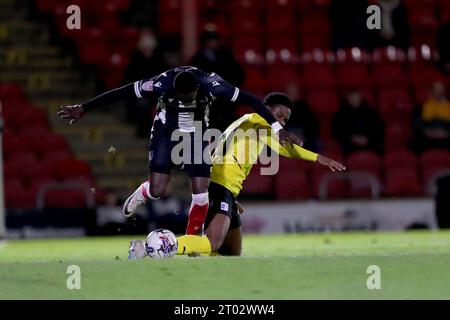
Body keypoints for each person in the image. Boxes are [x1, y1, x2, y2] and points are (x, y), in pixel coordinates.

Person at [58, 66, 303, 236]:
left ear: (198, 88)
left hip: (196, 136)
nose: (185, 100)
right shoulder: (161, 83)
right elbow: (122, 92)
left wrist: (276, 129)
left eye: (189, 97)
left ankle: (192, 238)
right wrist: (84, 108)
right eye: (181, 97)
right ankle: (143, 192)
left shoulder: (213, 84)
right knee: (157, 190)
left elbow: (252, 100)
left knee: (201, 191)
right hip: (165, 133)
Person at [128, 93, 346, 257]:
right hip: (219, 187)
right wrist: (320, 159)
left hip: (225, 190)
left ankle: (201, 274)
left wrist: (231, 196)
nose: (280, 121)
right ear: (265, 108)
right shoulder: (256, 120)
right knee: (212, 243)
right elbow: (285, 147)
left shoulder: (251, 125)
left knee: (231, 253)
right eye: (277, 115)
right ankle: (153, 248)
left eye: (285, 120)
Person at [190, 28, 245, 132]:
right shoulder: (197, 60)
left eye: (214, 40)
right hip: (208, 101)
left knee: (229, 126)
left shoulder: (226, 55)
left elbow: (238, 74)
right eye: (209, 41)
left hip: (226, 99)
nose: (213, 43)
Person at [121, 28, 169, 137]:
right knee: (143, 104)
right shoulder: (136, 55)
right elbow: (132, 74)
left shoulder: (158, 56)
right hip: (141, 89)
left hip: (156, 89)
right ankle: (141, 131)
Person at [332, 89, 385, 155]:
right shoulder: (341, 114)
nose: (354, 100)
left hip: (369, 142)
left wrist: (368, 139)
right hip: (350, 142)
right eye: (352, 98)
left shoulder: (370, 112)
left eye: (356, 97)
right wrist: (352, 138)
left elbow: (379, 128)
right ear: (348, 99)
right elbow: (337, 131)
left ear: (360, 98)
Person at [411, 81, 450, 153]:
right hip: (427, 136)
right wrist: (427, 132)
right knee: (413, 142)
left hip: (445, 136)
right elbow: (417, 122)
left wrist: (446, 133)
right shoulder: (422, 106)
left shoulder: (448, 106)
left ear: (444, 92)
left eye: (440, 90)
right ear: (432, 91)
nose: (438, 93)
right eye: (436, 90)